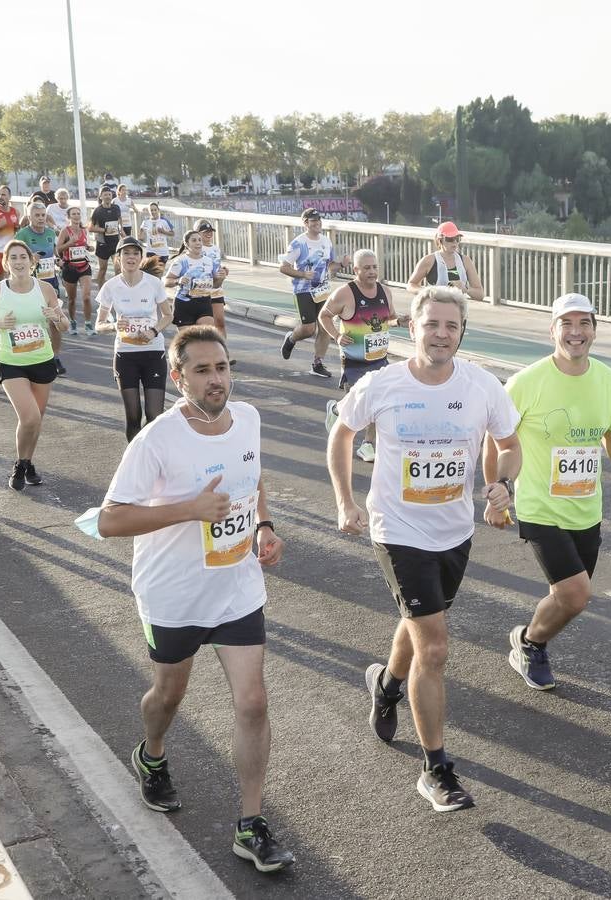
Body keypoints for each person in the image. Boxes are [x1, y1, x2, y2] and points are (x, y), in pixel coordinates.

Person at [96, 326, 294, 873]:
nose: (216, 380)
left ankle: (250, 824)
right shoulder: (156, 440)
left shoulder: (248, 418)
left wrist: (264, 527)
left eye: (223, 367)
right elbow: (110, 521)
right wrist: (188, 509)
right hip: (174, 594)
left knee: (253, 701)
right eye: (202, 371)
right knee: (168, 695)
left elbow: (252, 480)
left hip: (236, 586)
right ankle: (151, 755)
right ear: (178, 377)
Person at [328, 285, 521, 812]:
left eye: (451, 326)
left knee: (419, 626)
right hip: (397, 530)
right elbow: (342, 436)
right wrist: (347, 502)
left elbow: (509, 444)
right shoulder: (381, 385)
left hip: (455, 533)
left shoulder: (481, 386)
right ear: (411, 328)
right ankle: (436, 770)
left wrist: (504, 484)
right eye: (431, 324)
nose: (440, 334)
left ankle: (388, 684)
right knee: (434, 646)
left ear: (461, 333)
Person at [499, 293, 611, 690]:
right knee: (575, 593)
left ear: (593, 330)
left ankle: (527, 640)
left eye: (584, 324)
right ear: (552, 330)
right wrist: (499, 488)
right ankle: (534, 646)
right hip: (539, 505)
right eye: (567, 324)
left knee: (567, 598)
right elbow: (500, 439)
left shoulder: (609, 381)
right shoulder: (526, 383)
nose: (576, 332)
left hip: (587, 508)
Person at [0, 239, 71, 490]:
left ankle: (27, 462)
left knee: (36, 420)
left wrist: (56, 317)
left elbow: (65, 325)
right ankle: (19, 464)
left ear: (31, 261)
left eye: (22, 257)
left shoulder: (46, 289)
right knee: (29, 417)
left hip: (42, 359)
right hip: (10, 361)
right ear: (6, 263)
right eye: (13, 258)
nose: (18, 262)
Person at [317, 249, 409, 462]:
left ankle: (368, 444)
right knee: (357, 403)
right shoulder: (345, 293)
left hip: (379, 358)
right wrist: (336, 336)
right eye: (366, 268)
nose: (372, 271)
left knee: (377, 402)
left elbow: (389, 319)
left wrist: (399, 322)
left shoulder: (385, 291)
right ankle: (338, 409)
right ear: (356, 270)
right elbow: (324, 315)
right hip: (354, 360)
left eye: (375, 267)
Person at [95, 236, 173, 441]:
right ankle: (134, 463)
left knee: (155, 416)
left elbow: (168, 315)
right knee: (133, 416)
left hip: (153, 353)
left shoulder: (154, 283)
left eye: (135, 253)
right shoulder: (110, 287)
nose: (131, 257)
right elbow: (99, 324)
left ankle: (150, 457)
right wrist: (113, 325)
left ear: (141, 257)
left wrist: (154, 331)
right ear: (118, 258)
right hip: (125, 355)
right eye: (126, 253)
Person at [277, 208, 337, 379]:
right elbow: (284, 267)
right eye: (312, 221)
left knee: (325, 326)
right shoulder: (298, 243)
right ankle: (291, 339)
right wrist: (303, 274)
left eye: (318, 220)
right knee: (308, 329)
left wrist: (341, 264)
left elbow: (330, 265)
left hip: (323, 290)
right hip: (303, 290)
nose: (317, 223)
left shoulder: (326, 241)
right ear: (305, 223)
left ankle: (317, 364)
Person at [407, 221, 485, 302]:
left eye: (457, 238)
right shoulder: (429, 260)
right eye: (450, 239)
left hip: (458, 312)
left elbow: (480, 294)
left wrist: (466, 289)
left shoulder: (465, 261)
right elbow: (411, 285)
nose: (454, 242)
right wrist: (427, 292)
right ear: (440, 240)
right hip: (435, 310)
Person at [164, 230, 220, 331]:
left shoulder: (209, 261)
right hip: (184, 303)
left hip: (204, 302)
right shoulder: (180, 261)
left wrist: (221, 278)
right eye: (194, 240)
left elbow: (215, 285)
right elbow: (166, 281)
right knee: (187, 342)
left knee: (206, 337)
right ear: (186, 244)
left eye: (199, 240)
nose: (198, 243)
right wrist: (178, 281)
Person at [57, 205, 94, 338]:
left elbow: (84, 246)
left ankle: (88, 323)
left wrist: (89, 247)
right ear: (69, 217)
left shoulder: (84, 230)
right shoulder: (65, 231)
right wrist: (69, 243)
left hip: (84, 266)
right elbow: (58, 249)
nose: (77, 216)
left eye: (78, 213)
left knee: (87, 297)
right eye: (73, 214)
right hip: (70, 268)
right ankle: (72, 322)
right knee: (72, 300)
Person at [193, 220, 227, 336]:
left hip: (217, 289)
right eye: (205, 232)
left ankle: (223, 351)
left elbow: (216, 266)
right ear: (197, 233)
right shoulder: (195, 249)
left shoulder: (216, 248)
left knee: (220, 323)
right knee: (205, 326)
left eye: (210, 231)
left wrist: (223, 271)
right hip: (202, 291)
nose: (209, 234)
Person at [89, 187, 123, 288]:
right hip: (102, 243)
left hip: (115, 243)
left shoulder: (116, 208)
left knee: (118, 268)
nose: (108, 197)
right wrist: (105, 230)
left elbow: (120, 222)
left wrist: (123, 233)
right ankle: (101, 292)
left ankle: (117, 290)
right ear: (101, 196)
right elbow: (90, 228)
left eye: (109, 194)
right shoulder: (97, 210)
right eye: (105, 195)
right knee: (103, 269)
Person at [139, 202, 174, 271]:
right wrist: (141, 237)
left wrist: (163, 231)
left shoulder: (164, 221)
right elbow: (141, 236)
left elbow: (172, 233)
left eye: (155, 210)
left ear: (158, 210)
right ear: (149, 212)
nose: (153, 212)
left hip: (163, 252)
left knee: (159, 272)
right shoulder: (146, 222)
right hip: (151, 251)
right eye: (151, 210)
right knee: (150, 272)